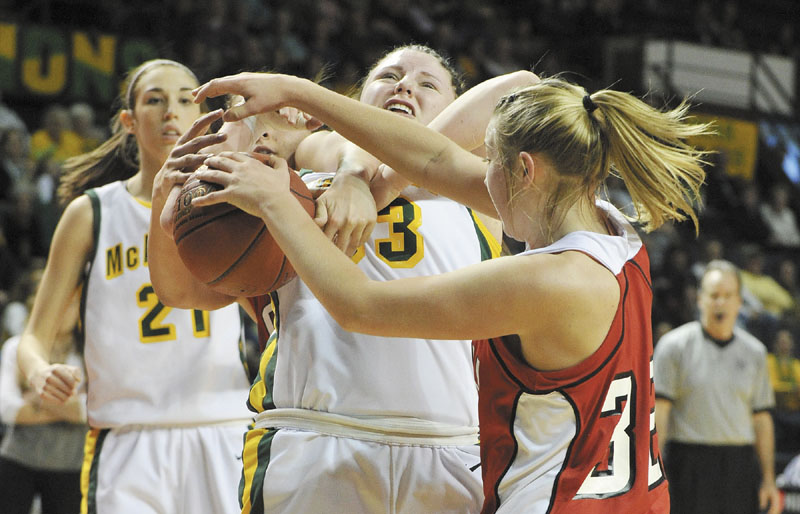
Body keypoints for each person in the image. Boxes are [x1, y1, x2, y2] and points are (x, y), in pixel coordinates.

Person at [187, 71, 711, 512]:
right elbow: (435, 160)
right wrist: (297, 92)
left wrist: (274, 202)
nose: (485, 187)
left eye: (493, 172)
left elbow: (360, 305)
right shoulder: (611, 229)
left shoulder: (552, 281)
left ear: (525, 170)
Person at [151, 47, 535, 514]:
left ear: (456, 105)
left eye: (428, 84)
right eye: (388, 75)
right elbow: (182, 293)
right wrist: (161, 205)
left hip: (450, 446)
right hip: (313, 436)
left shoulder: (474, 179)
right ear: (355, 99)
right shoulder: (301, 165)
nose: (404, 85)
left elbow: (520, 86)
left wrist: (374, 185)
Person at [16, 59, 253, 514]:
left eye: (186, 99)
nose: (171, 112)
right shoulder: (92, 213)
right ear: (129, 121)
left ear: (204, 113)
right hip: (129, 435)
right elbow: (34, 338)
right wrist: (39, 372)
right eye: (155, 100)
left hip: (223, 427)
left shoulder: (231, 198)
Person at [654, 260, 780, 514]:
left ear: (739, 302)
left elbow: (762, 420)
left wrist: (768, 479)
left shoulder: (755, 353)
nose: (720, 303)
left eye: (727, 296)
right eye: (713, 296)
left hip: (739, 465)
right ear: (700, 299)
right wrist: (653, 474)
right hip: (687, 464)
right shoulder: (673, 346)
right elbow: (660, 414)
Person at [0, 273, 86, 514]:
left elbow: (90, 411)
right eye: (54, 303)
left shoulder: (88, 353)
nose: (61, 311)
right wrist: (68, 406)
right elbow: (8, 410)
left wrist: (38, 399)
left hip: (69, 464)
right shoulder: (16, 347)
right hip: (18, 459)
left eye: (69, 304)